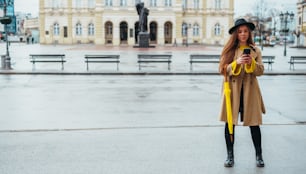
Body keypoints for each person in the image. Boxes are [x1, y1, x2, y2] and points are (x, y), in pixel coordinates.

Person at [218, 18, 266, 168]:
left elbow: (260, 71)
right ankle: (230, 156)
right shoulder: (229, 49)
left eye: (245, 31)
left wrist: (252, 63)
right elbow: (221, 69)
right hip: (232, 91)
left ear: (249, 33)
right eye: (240, 31)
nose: (243, 34)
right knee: (229, 124)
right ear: (236, 34)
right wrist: (236, 63)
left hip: (250, 91)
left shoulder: (255, 50)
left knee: (254, 124)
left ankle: (259, 156)